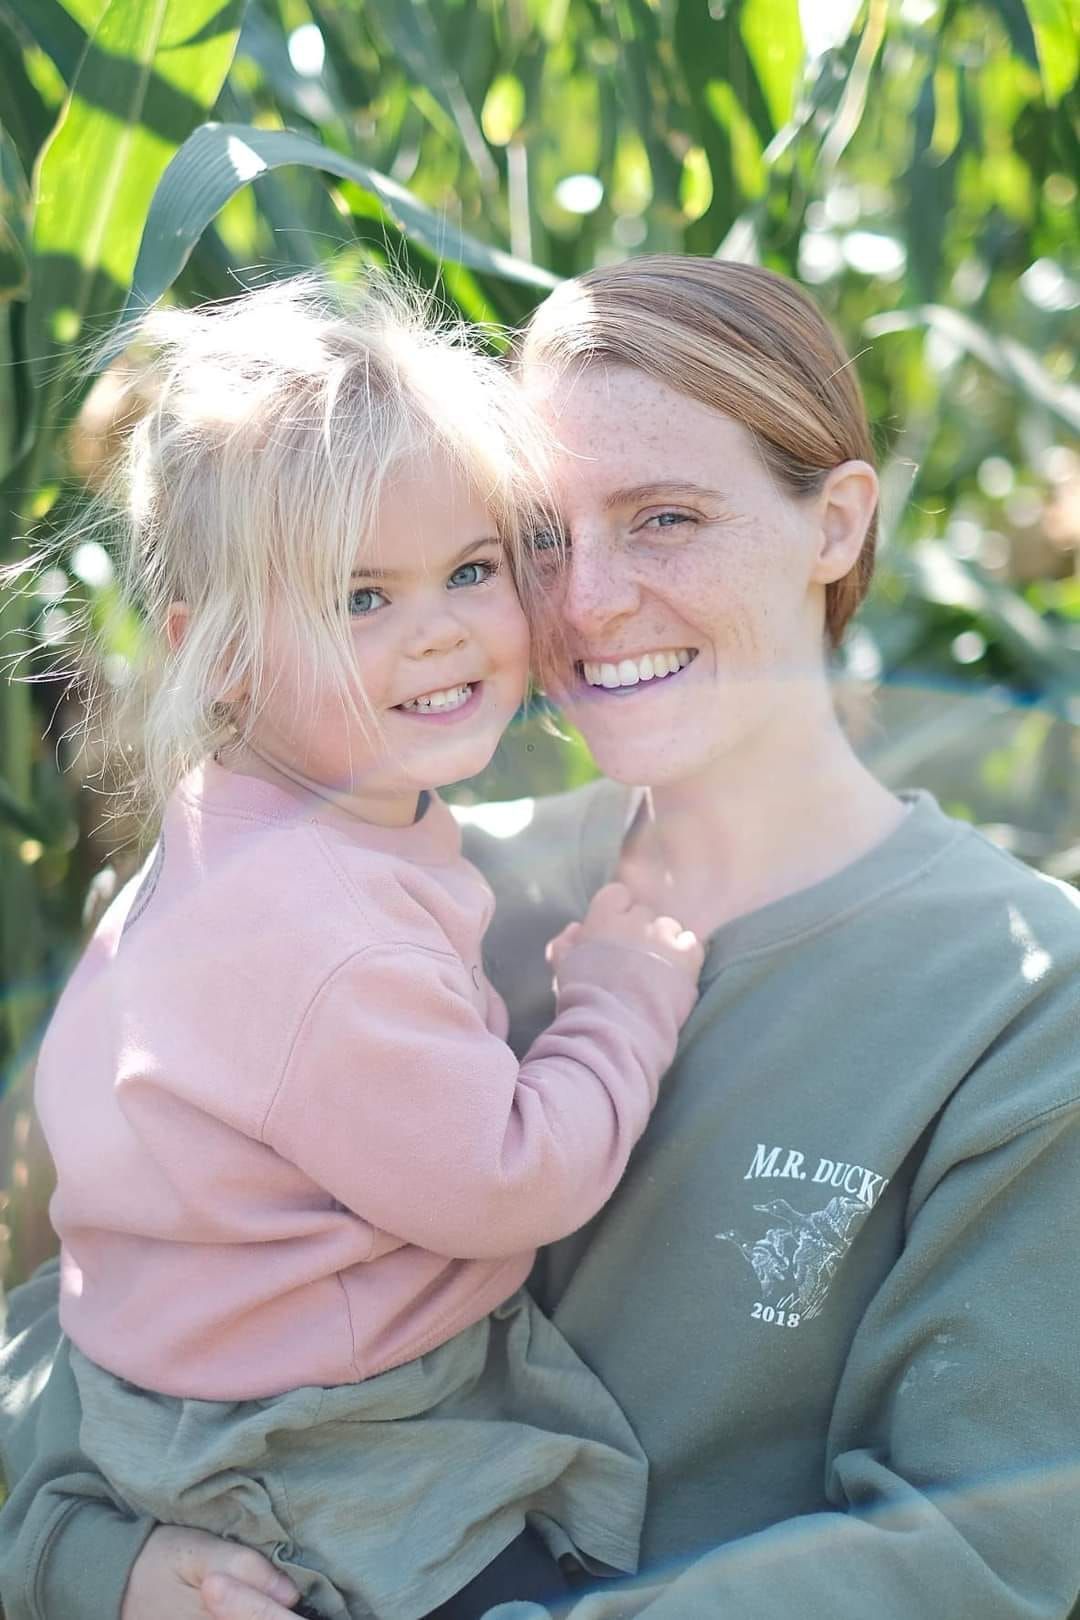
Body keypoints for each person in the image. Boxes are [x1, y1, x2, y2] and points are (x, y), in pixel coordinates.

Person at [2, 255, 1079, 1620]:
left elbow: (982, 1557)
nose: (586, 604)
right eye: (543, 540)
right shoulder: (404, 900)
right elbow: (88, 1321)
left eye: (667, 519)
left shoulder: (1023, 1002)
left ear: (838, 524)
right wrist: (98, 1566)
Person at [4, 275, 708, 1620]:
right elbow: (511, 1177)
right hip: (321, 1449)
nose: (439, 627)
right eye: (359, 599)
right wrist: (626, 990)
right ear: (212, 655)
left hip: (196, 1378)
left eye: (470, 570)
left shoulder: (268, 828)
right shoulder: (317, 939)